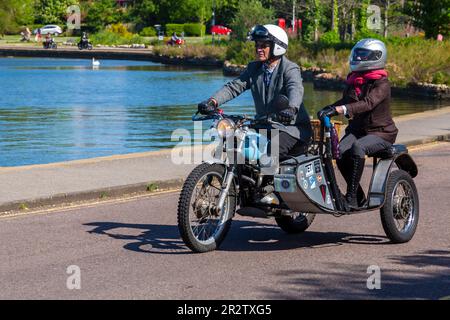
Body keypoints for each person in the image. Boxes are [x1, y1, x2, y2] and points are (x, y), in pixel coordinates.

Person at [197, 24, 312, 162]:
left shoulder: (289, 68)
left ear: (277, 47)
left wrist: (291, 108)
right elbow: (234, 87)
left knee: (271, 152)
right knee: (234, 144)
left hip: (291, 128)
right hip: (263, 125)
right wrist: (212, 101)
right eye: (257, 45)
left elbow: (295, 88)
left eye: (263, 46)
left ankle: (271, 182)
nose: (259, 49)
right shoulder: (255, 68)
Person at [318, 38, 398, 209]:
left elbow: (368, 103)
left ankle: (351, 196)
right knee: (338, 152)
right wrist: (328, 109)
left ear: (376, 56)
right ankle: (359, 196)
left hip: (380, 132)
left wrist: (342, 109)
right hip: (358, 130)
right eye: (357, 55)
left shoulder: (382, 83)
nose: (358, 59)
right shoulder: (355, 80)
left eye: (363, 56)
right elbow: (346, 100)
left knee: (358, 148)